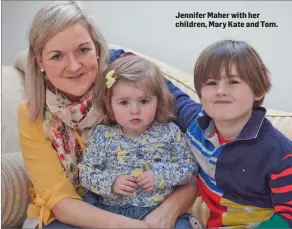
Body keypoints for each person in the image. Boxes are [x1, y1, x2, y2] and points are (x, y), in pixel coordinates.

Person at [18, 1, 198, 229]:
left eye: (83, 50)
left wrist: (162, 207)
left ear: (98, 49)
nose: (74, 66)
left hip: (156, 206)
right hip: (82, 213)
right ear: (40, 62)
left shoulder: (126, 87)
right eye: (56, 56)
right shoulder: (32, 114)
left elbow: (194, 159)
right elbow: (61, 201)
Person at [167, 39, 292, 228]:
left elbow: (289, 214)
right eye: (211, 83)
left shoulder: (278, 152)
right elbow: (165, 91)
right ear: (200, 93)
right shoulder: (195, 123)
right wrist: (116, 55)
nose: (220, 91)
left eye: (233, 82)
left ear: (257, 91)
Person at [78, 55, 199, 228]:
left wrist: (160, 176)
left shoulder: (170, 132)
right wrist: (112, 182)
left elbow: (189, 167)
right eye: (124, 102)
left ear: (158, 100)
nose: (135, 110)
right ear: (110, 105)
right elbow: (86, 174)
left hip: (160, 213)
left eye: (144, 101)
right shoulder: (103, 136)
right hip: (112, 213)